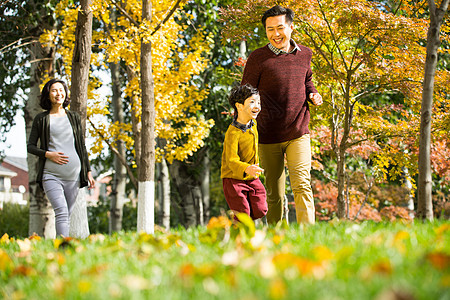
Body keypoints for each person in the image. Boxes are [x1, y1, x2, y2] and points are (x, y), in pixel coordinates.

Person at [241, 5, 323, 224]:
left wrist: (313, 94)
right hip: (267, 136)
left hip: (298, 131)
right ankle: (277, 237)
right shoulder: (258, 58)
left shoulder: (305, 54)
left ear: (291, 27)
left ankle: (308, 236)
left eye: (280, 28)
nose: (275, 34)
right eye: (270, 30)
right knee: (274, 194)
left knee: (302, 184)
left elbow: (307, 80)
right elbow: (245, 93)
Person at [27, 78, 95, 237]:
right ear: (48, 95)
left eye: (61, 90)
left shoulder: (74, 117)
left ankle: (65, 249)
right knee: (62, 211)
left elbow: (81, 146)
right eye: (54, 90)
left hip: (73, 176)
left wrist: (89, 172)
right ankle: (61, 248)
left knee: (67, 215)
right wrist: (48, 154)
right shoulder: (41, 119)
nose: (59, 94)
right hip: (51, 175)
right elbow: (30, 146)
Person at [221, 84, 267, 221]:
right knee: (243, 213)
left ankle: (241, 222)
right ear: (239, 106)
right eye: (252, 102)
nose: (257, 106)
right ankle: (239, 232)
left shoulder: (254, 125)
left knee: (261, 209)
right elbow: (231, 160)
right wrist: (247, 168)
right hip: (233, 178)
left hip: (252, 177)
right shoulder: (233, 133)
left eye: (258, 102)